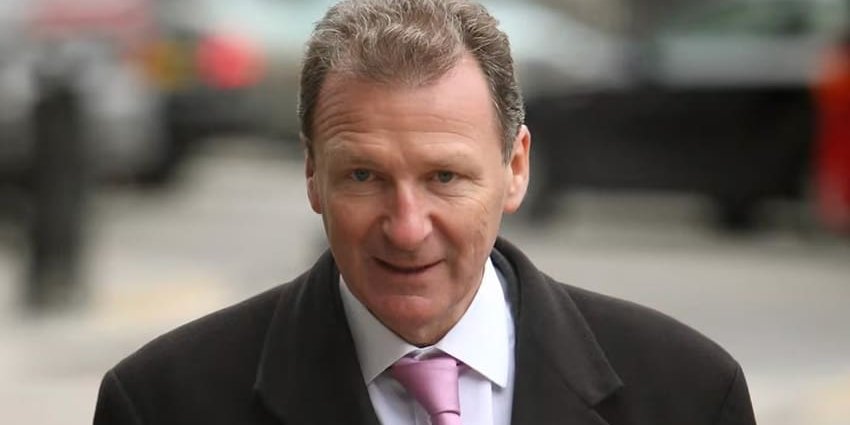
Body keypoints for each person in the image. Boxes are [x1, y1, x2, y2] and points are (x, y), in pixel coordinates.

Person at [93, 0, 757, 424]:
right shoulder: (162, 404)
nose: (407, 227)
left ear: (516, 168)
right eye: (364, 176)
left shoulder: (690, 395)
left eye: (444, 177)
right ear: (312, 174)